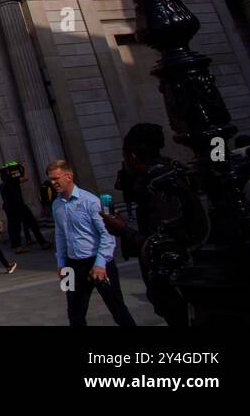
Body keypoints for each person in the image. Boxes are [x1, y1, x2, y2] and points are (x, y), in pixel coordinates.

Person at [104, 123, 189, 326]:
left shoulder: (159, 185)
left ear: (132, 157)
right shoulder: (165, 176)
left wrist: (122, 230)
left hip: (174, 282)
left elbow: (164, 245)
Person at [47, 160, 136, 326]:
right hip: (71, 265)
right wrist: (61, 263)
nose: (53, 183)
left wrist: (101, 263)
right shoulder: (56, 205)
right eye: (51, 180)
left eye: (56, 178)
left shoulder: (92, 201)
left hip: (97, 262)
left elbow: (107, 234)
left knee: (117, 308)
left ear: (69, 176)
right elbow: (60, 235)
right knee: (74, 312)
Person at [0, 165, 49, 253]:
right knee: (33, 224)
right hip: (19, 206)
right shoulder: (12, 180)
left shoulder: (2, 185)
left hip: (10, 208)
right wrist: (25, 167)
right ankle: (43, 243)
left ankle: (18, 246)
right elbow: (25, 178)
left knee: (16, 227)